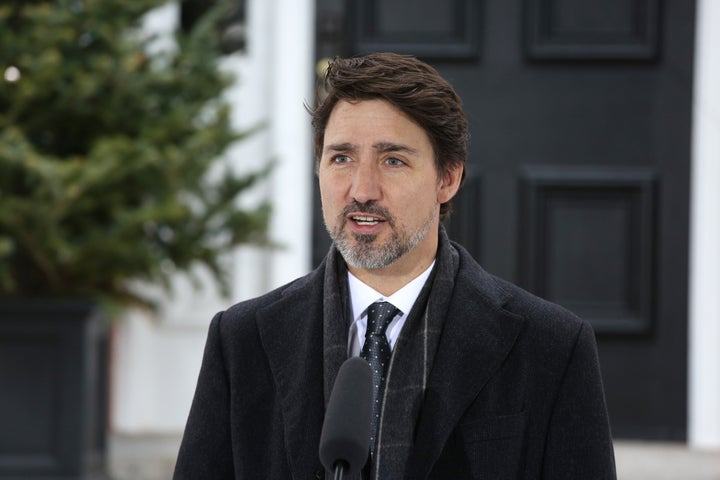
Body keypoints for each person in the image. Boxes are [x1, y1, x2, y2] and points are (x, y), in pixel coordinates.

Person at [173, 52, 616, 479]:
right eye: (341, 158)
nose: (362, 189)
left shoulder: (551, 348)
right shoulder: (241, 341)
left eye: (393, 160)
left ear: (448, 179)